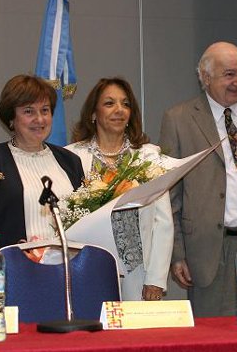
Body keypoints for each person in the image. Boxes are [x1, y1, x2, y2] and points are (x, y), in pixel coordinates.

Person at [159, 41, 237, 317]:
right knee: (220, 342)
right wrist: (177, 254)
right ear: (205, 78)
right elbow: (170, 195)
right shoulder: (179, 119)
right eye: (229, 74)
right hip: (214, 252)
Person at [66, 77, 174, 301]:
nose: (119, 110)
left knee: (136, 335)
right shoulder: (72, 156)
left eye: (125, 104)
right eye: (109, 103)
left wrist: (155, 278)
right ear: (93, 114)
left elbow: (162, 222)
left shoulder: (149, 156)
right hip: (88, 267)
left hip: (139, 273)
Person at [0, 75, 84, 252]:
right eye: (29, 111)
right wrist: (8, 259)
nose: (39, 119)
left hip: (68, 270)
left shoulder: (70, 161)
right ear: (11, 118)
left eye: (45, 110)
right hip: (15, 273)